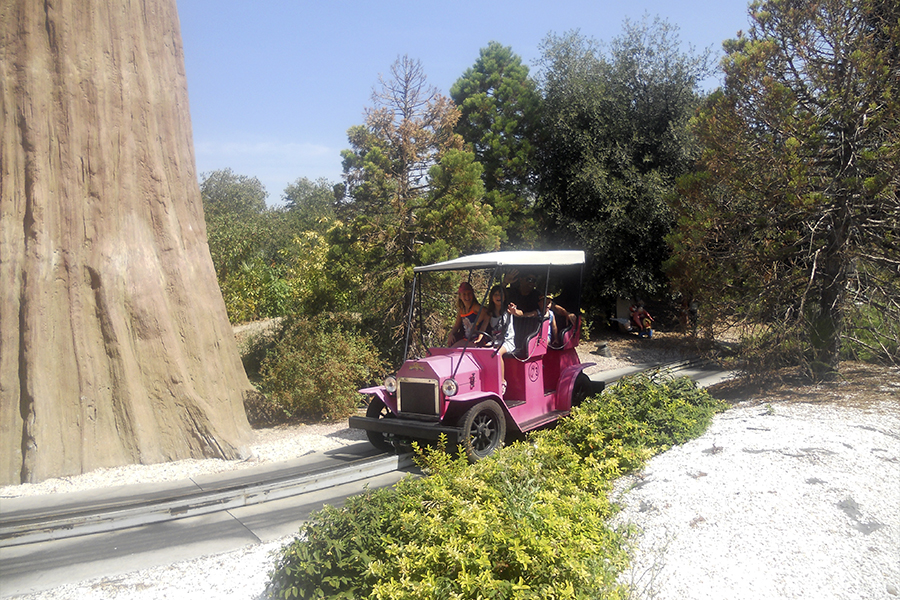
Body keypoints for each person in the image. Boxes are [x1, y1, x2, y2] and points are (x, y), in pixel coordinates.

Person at [473, 285, 516, 393]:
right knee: (482, 351)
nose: (498, 297)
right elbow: (483, 327)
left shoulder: (508, 310)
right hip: (495, 341)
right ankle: (485, 380)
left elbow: (519, 313)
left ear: (504, 297)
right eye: (496, 294)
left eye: (500, 294)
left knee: (497, 353)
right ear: (492, 297)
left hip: (507, 341)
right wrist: (479, 339)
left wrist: (514, 310)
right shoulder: (490, 313)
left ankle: (502, 382)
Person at [447, 281, 481, 346]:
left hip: (476, 339)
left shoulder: (475, 307)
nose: (467, 297)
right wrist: (451, 334)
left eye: (469, 294)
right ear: (460, 296)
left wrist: (477, 323)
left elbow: (486, 313)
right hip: (466, 339)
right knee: (452, 349)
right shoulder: (461, 311)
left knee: (469, 349)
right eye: (464, 294)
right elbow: (456, 326)